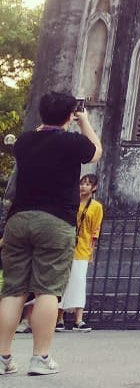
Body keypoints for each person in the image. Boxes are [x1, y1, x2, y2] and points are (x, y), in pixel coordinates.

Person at [0, 92, 101, 376]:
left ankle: (2, 356)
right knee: (47, 291)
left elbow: (38, 136)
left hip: (19, 219)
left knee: (13, 290)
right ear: (69, 115)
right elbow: (96, 151)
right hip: (55, 221)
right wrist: (84, 121)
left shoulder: (24, 141)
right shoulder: (70, 141)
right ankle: (40, 358)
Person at [57, 174, 104, 332]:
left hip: (82, 247)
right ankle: (59, 318)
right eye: (82, 183)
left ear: (94, 188)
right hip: (66, 245)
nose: (83, 186)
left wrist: (91, 250)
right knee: (63, 282)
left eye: (88, 184)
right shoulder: (72, 201)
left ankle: (79, 319)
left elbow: (95, 230)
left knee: (78, 282)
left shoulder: (96, 207)